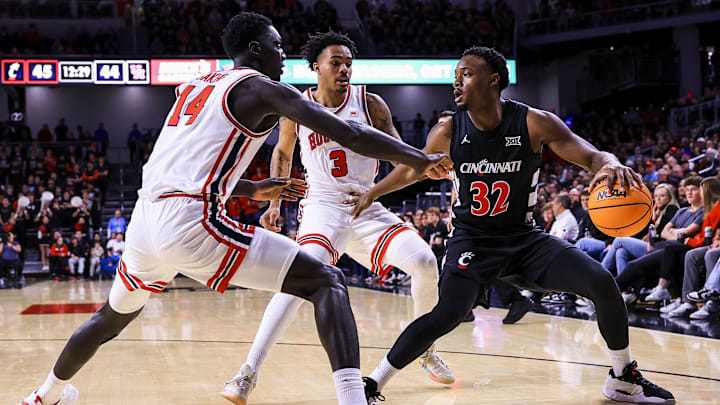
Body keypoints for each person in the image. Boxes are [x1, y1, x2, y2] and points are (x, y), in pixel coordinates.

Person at [18, 12, 448, 405]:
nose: (284, 56)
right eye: (278, 47)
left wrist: (253, 186)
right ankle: (352, 397)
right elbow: (350, 134)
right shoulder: (263, 88)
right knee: (326, 282)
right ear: (256, 49)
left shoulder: (198, 86)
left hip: (146, 221)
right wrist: (423, 159)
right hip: (190, 223)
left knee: (109, 318)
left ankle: (45, 394)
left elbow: (176, 167)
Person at [350, 47, 674, 404]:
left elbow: (592, 156)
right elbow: (414, 168)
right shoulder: (448, 129)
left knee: (602, 282)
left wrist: (610, 163)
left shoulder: (534, 122)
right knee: (448, 313)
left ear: (493, 81)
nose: (457, 81)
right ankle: (373, 383)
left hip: (525, 241)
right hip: (471, 239)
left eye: (467, 74)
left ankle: (622, 379)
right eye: (456, 75)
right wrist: (374, 192)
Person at [222, 31, 454, 405]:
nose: (344, 69)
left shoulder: (371, 103)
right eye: (336, 62)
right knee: (301, 278)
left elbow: (401, 159)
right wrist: (275, 203)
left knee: (426, 262)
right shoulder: (297, 106)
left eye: (349, 62)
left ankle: (423, 347)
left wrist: (424, 167)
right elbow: (282, 154)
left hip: (367, 207)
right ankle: (246, 373)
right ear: (316, 67)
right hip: (322, 207)